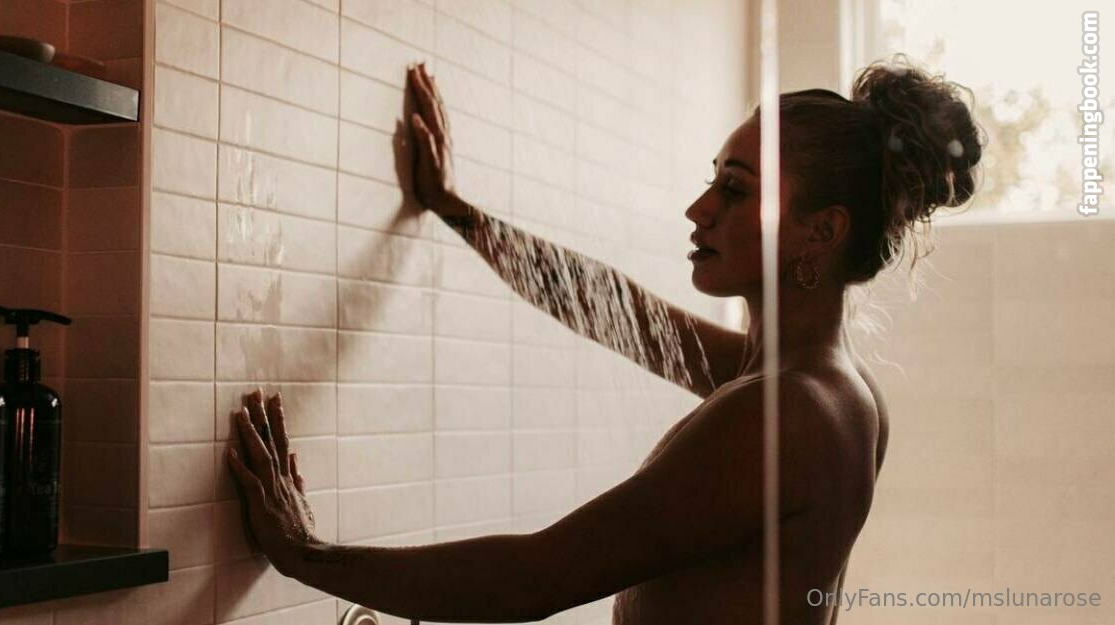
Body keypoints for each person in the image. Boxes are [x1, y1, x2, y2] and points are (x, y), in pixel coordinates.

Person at [227, 56, 983, 624]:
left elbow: (534, 578)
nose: (699, 208)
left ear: (819, 232)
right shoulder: (815, 385)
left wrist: (304, 554)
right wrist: (453, 209)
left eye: (735, 188)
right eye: (714, 179)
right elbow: (615, 310)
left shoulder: (789, 411)